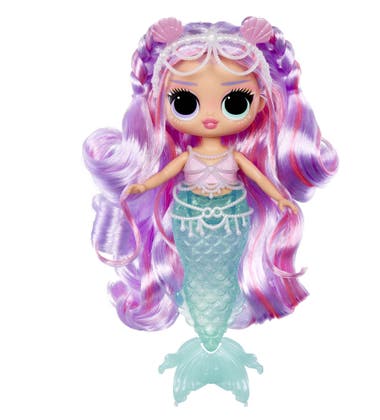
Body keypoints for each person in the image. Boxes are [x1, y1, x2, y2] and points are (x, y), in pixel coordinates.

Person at [83, 17, 338, 404]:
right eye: (185, 102)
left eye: (234, 102)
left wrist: (281, 197)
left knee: (223, 275)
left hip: (233, 219)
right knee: (197, 274)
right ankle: (205, 332)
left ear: (260, 103)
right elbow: (164, 175)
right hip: (189, 219)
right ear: (160, 102)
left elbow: (258, 177)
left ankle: (215, 333)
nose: (210, 116)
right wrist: (143, 186)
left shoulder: (235, 156)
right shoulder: (187, 156)